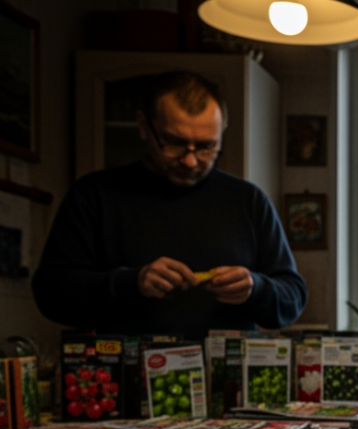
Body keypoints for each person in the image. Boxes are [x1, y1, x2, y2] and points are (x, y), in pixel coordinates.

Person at [32, 72, 307, 339]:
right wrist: (131, 283)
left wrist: (256, 289)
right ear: (144, 126)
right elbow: (51, 294)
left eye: (206, 146)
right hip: (125, 378)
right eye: (174, 144)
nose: (190, 161)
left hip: (225, 381)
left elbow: (292, 297)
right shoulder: (93, 195)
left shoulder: (249, 201)